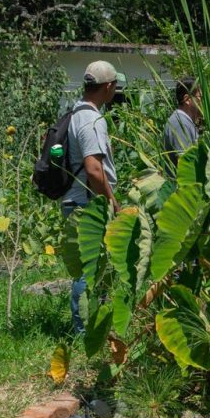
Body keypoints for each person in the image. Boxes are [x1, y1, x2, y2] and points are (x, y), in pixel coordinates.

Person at [64, 61, 122, 333]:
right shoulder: (91, 119)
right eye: (116, 86)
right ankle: (85, 332)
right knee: (89, 271)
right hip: (88, 203)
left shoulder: (76, 112)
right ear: (108, 86)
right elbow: (94, 169)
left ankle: (90, 327)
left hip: (79, 200)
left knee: (91, 269)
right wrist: (112, 201)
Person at [165, 76, 201, 168]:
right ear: (187, 99)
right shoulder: (180, 124)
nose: (202, 101)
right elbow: (185, 166)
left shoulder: (184, 121)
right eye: (200, 97)